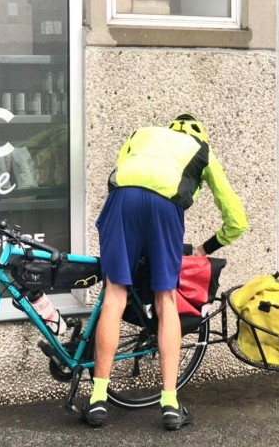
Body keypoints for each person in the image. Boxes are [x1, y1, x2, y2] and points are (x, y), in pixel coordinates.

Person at [82, 114, 248, 430]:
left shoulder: (140, 133)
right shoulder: (201, 150)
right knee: (166, 300)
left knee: (114, 297)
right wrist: (207, 247)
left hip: (122, 199)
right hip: (164, 208)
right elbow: (237, 219)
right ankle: (169, 404)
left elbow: (117, 176)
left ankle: (98, 399)